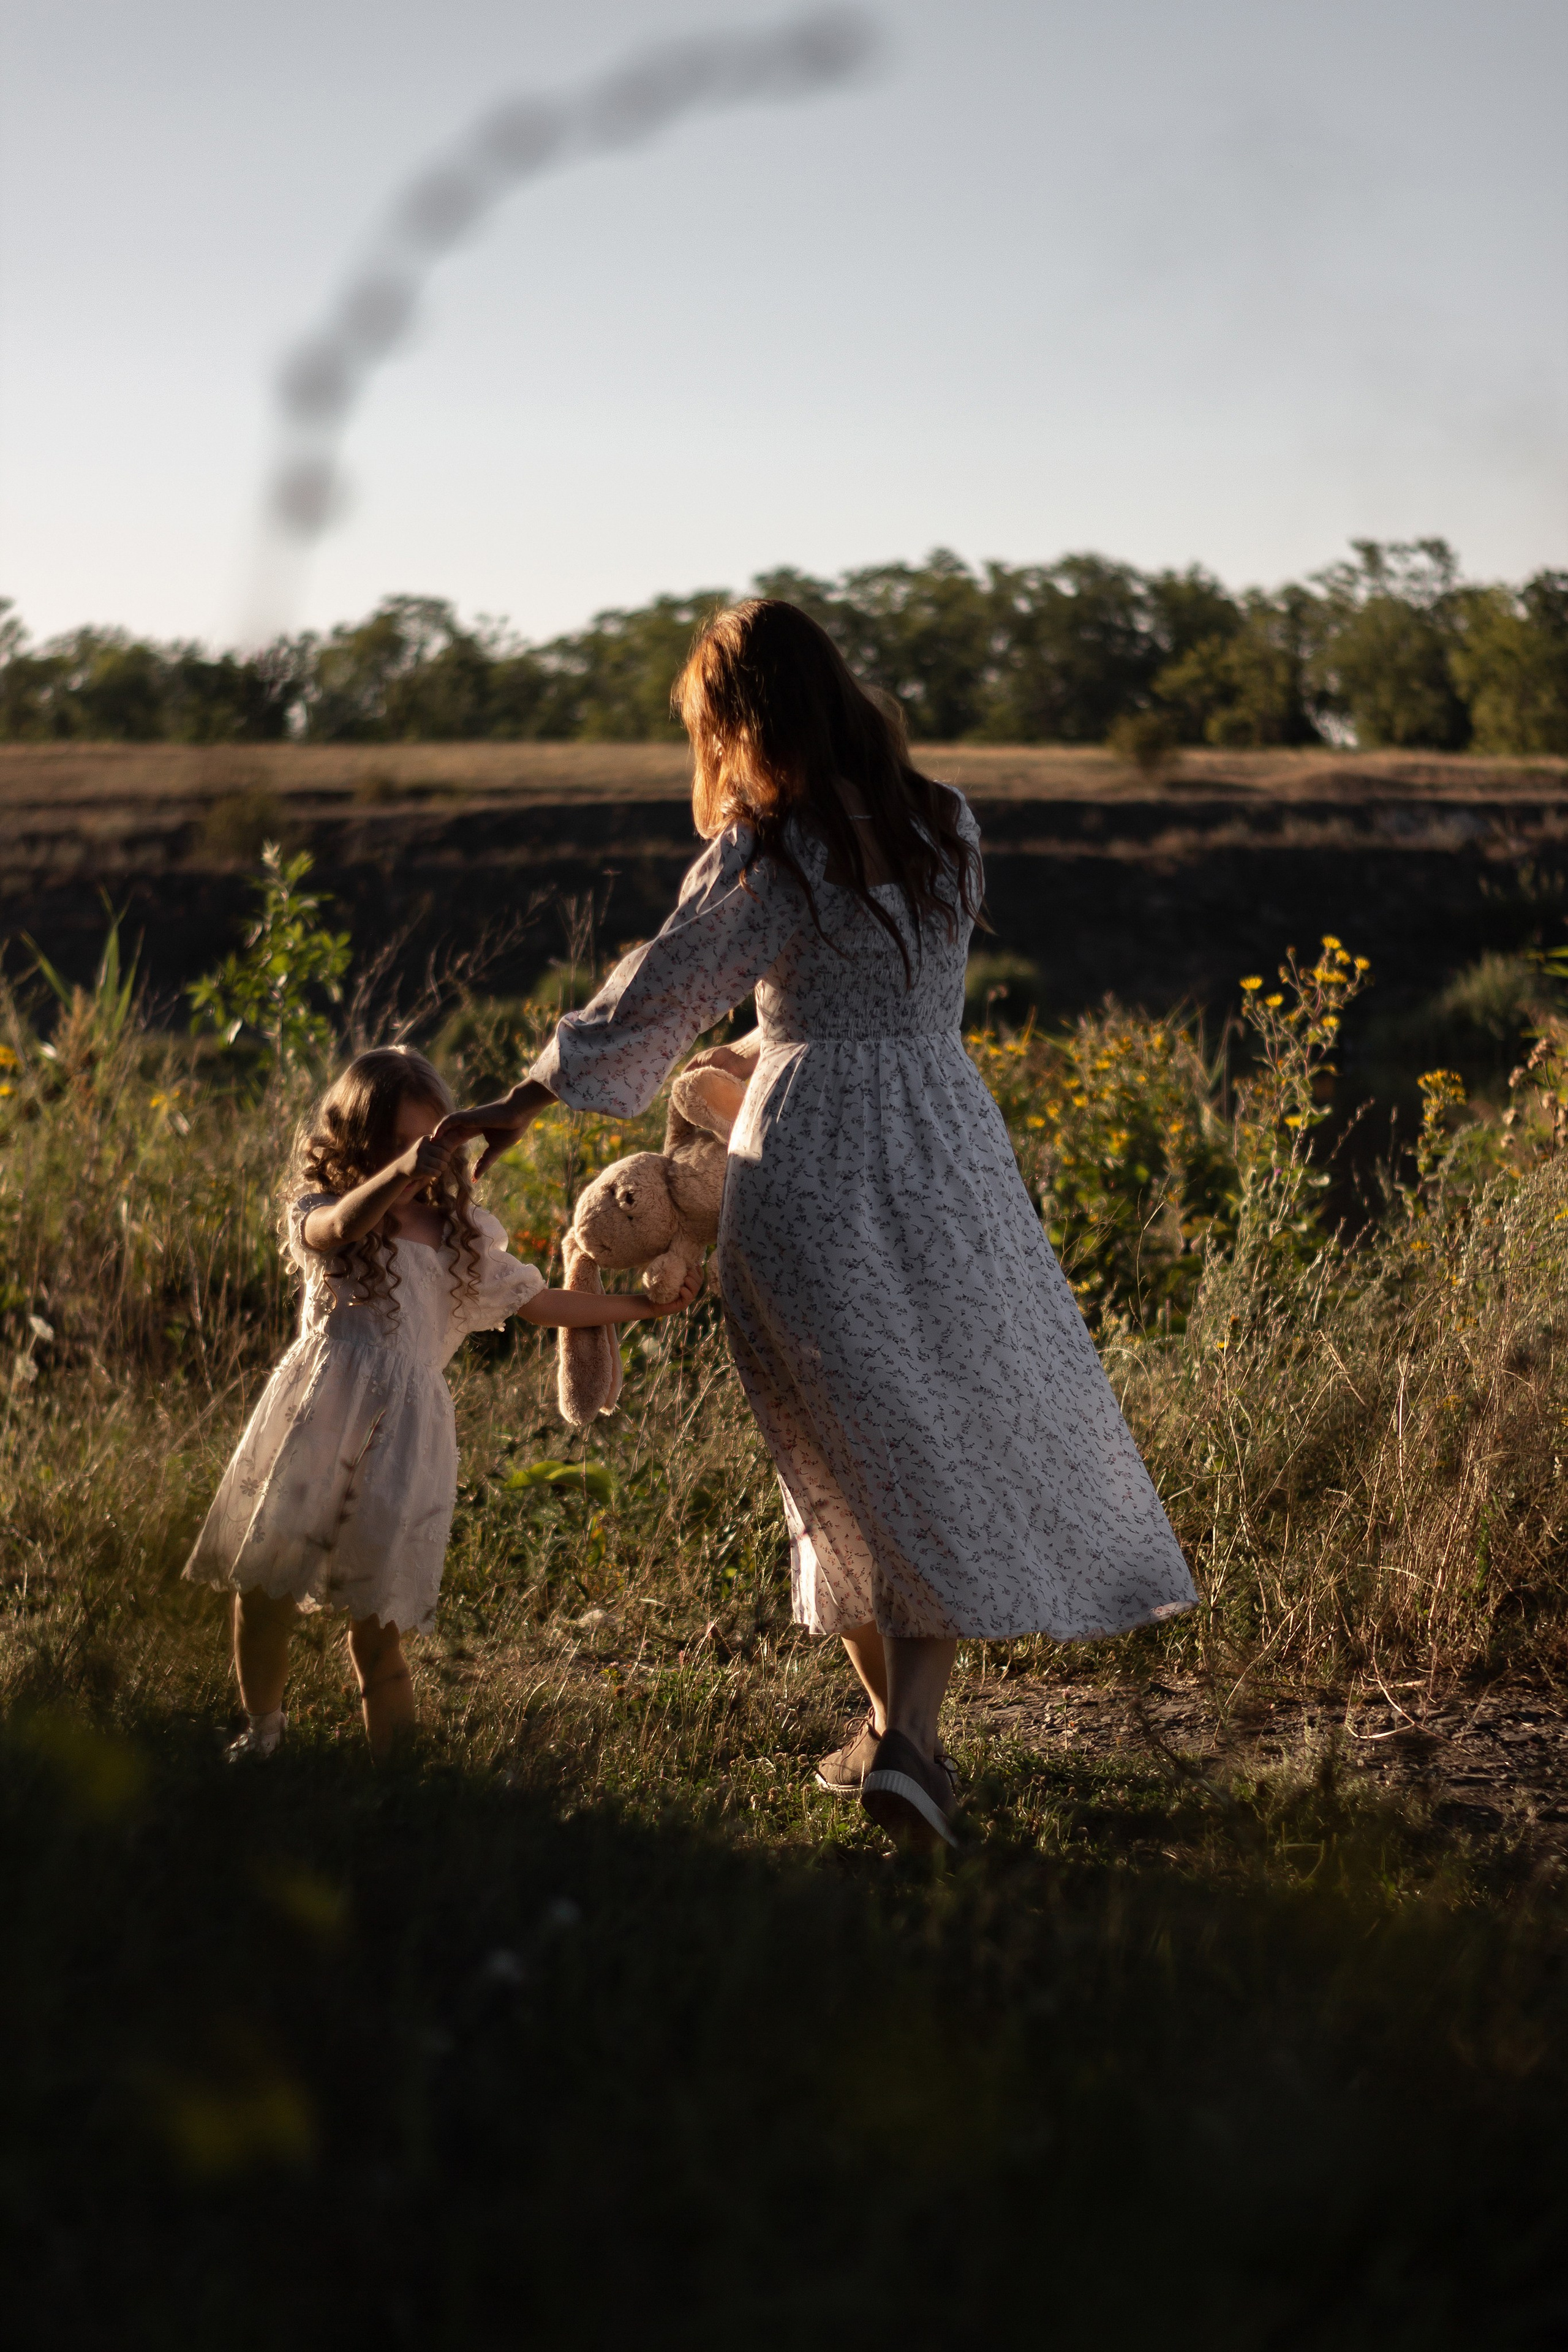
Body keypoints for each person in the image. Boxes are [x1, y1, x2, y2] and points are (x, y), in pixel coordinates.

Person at [440, 601, 1196, 1845]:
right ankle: (903, 1742)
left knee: (827, 1451)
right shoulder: (941, 821)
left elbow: (655, 992)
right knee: (931, 1432)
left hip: (804, 1153)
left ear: (744, 722)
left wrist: (517, 1106)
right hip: (943, 1143)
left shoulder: (768, 852)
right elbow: (871, 985)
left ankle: (902, 1744)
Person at [184, 1045, 696, 1762]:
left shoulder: (461, 1237)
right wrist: (397, 1175)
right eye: (396, 1146)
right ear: (353, 1146)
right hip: (316, 1420)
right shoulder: (327, 1213)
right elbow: (334, 1232)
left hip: (400, 1440)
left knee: (377, 1618)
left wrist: (641, 1306)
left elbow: (539, 1302)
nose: (420, 1163)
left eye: (430, 1146)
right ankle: (262, 1730)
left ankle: (395, 1774)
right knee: (267, 1587)